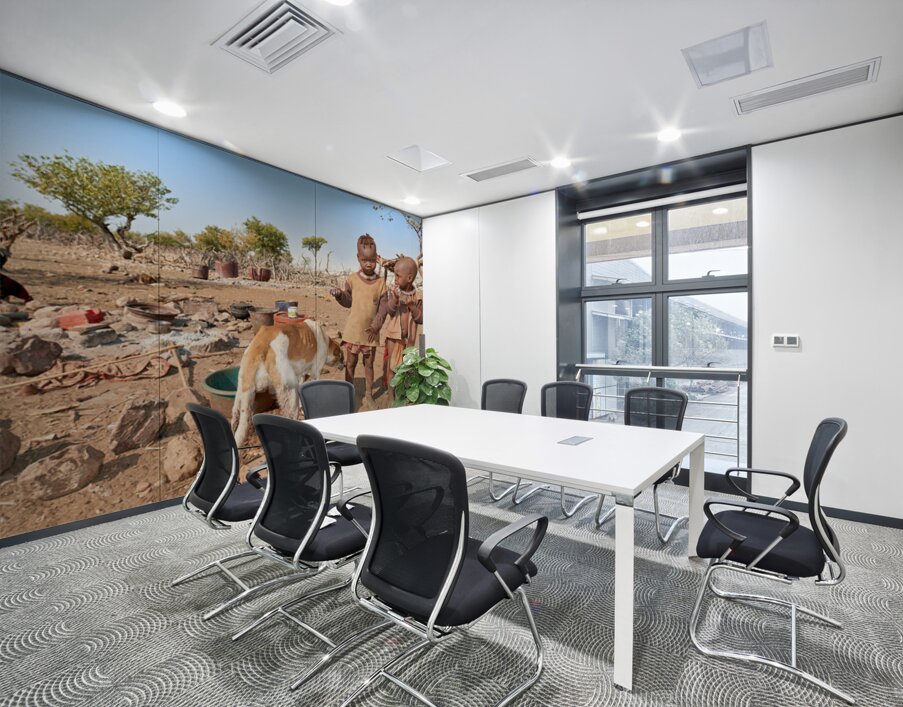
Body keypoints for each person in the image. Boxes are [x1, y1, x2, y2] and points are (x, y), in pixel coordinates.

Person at [330, 234, 387, 404]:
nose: (368, 263)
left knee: (369, 364)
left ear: (376, 258)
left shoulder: (381, 283)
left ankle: (368, 394)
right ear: (358, 258)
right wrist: (340, 295)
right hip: (353, 331)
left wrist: (376, 326)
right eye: (364, 260)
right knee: (350, 363)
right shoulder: (353, 279)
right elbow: (348, 302)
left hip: (371, 333)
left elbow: (383, 308)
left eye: (371, 260)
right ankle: (348, 392)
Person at [371, 255, 422, 404]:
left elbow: (420, 318)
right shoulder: (395, 292)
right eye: (394, 275)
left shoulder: (417, 297)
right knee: (392, 367)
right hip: (394, 337)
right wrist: (394, 299)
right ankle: (390, 395)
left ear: (410, 277)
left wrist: (412, 307)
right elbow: (390, 311)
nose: (395, 280)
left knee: (408, 367)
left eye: (398, 276)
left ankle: (405, 394)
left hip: (410, 339)